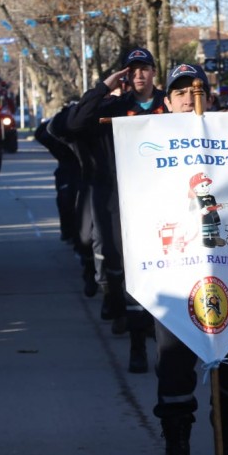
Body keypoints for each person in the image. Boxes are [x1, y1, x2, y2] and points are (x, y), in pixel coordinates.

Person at [152, 64, 228, 455]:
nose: (187, 99)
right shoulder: (148, 144)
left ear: (209, 100)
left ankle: (226, 420)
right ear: (167, 102)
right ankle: (176, 453)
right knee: (174, 366)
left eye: (196, 92)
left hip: (227, 270)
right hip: (174, 274)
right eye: (179, 93)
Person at [64, 47, 167, 373]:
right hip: (123, 201)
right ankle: (137, 344)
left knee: (164, 272)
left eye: (144, 68)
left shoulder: (169, 104)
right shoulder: (116, 107)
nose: (139, 75)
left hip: (164, 200)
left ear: (154, 72)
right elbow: (76, 122)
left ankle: (159, 333)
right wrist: (104, 87)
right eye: (132, 70)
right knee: (130, 272)